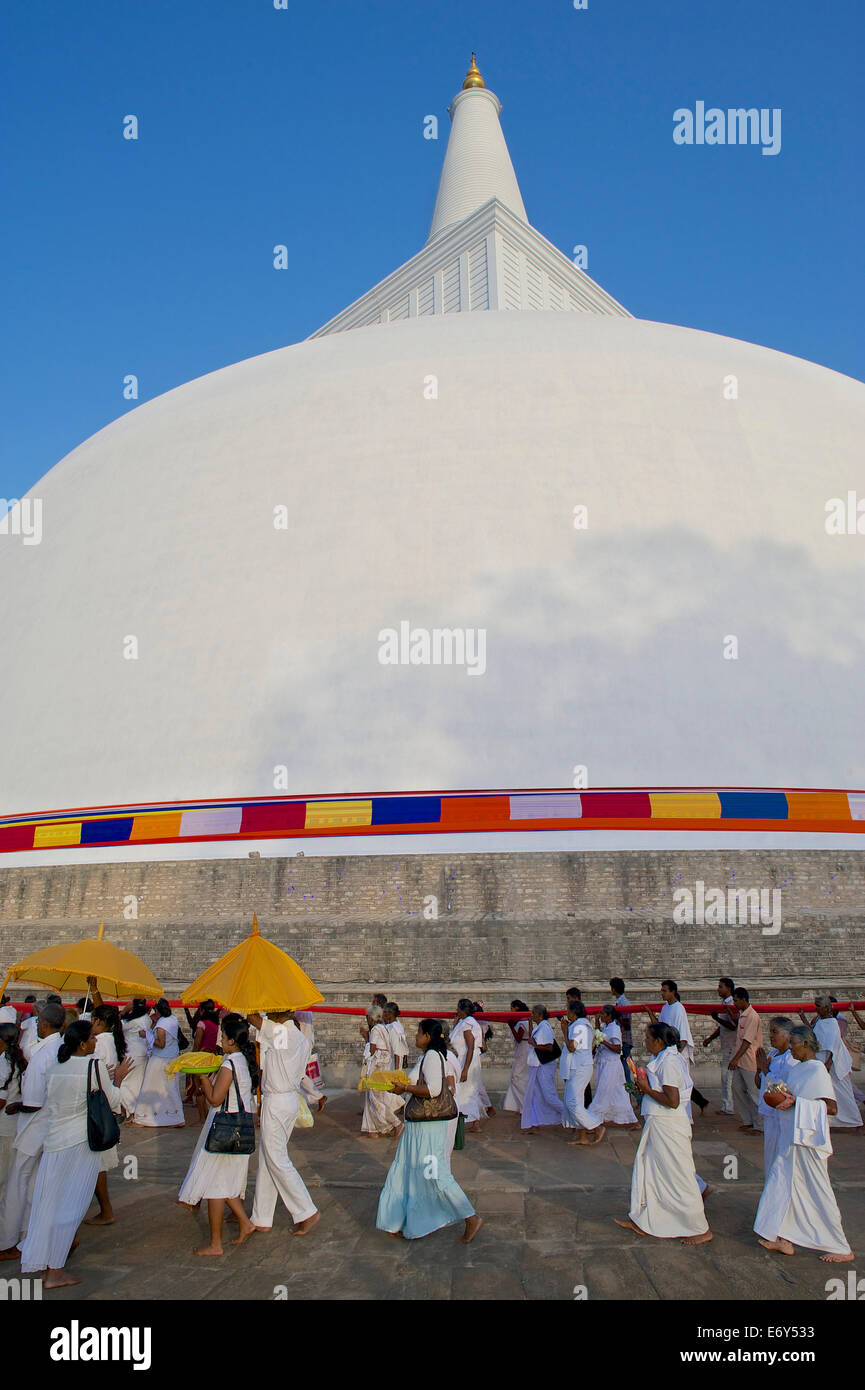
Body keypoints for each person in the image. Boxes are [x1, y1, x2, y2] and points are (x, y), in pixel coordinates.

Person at [17, 1020, 129, 1289]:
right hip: (80, 1143)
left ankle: (47, 1264)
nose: (96, 1041)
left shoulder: (55, 1066)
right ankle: (54, 1271)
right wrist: (118, 1079)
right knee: (72, 1205)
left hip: (55, 1142)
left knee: (49, 1203)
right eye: (91, 1037)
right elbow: (114, 1099)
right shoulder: (93, 1066)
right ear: (81, 1043)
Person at [754, 1025, 853, 1263]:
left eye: (793, 1045)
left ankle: (841, 1246)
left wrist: (797, 1101)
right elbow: (786, 1093)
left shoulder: (817, 1070)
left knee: (818, 1191)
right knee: (780, 1185)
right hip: (790, 1137)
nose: (791, 1049)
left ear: (806, 1045)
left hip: (808, 1141)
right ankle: (782, 1237)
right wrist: (778, 1090)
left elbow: (831, 1107)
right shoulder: (797, 1069)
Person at [377, 1018, 481, 1243]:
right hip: (419, 1129)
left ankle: (470, 1217)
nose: (415, 1036)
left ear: (428, 1037)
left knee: (435, 1176)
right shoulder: (427, 1058)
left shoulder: (434, 1057)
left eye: (419, 1033)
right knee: (409, 1175)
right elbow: (413, 1080)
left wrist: (404, 1087)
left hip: (430, 1129)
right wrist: (394, 1085)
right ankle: (400, 1220)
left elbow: (433, 1090)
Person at [615, 1022, 712, 1246]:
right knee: (651, 1171)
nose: (645, 1042)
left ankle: (699, 1227)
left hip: (669, 1126)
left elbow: (672, 1100)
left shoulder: (669, 1062)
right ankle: (644, 1219)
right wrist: (644, 1087)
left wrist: (647, 1090)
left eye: (648, 1038)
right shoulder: (663, 1059)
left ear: (659, 1041)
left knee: (680, 1177)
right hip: (658, 1123)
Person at [177, 1015, 258, 1255]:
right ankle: (245, 1223)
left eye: (223, 1036)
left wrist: (202, 1077)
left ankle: (215, 1243)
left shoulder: (229, 1063)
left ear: (232, 1041)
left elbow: (214, 1099)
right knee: (224, 1182)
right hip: (239, 1127)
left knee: (215, 1185)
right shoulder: (242, 1060)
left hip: (224, 1126)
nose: (220, 1039)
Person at [0, 1002, 65, 1258]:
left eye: (38, 1023)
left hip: (35, 1126)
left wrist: (17, 1105)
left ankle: (7, 1240)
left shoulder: (43, 1056)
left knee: (17, 1184)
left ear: (44, 1024)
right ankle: (27, 1235)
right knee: (33, 1184)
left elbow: (34, 1102)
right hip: (50, 1127)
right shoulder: (60, 1049)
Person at [246, 1008, 319, 1236]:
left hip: (277, 1101)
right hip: (288, 1099)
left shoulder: (282, 1033)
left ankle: (306, 1211)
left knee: (276, 1158)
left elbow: (254, 1020)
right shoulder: (299, 1037)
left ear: (280, 1014)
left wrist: (251, 1002)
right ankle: (262, 1216)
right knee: (269, 1157)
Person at [87, 1004, 127, 1226]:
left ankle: (106, 1210)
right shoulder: (110, 1040)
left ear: (98, 1022)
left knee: (97, 1164)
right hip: (105, 1101)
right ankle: (104, 1209)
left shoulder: (100, 1043)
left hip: (100, 1103)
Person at [644, 981, 708, 1114]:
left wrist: (674, 1054)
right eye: (661, 990)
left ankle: (685, 1113)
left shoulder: (679, 1009)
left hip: (675, 1052)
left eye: (664, 990)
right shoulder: (665, 1008)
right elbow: (659, 1026)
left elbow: (683, 1036)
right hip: (665, 1052)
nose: (662, 993)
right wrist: (650, 1012)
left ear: (673, 992)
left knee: (679, 1086)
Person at [801, 996, 862, 1129]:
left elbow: (833, 1046)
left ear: (827, 1008)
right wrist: (803, 1017)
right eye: (816, 1006)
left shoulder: (833, 1023)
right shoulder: (818, 1020)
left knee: (845, 1093)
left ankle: (854, 1120)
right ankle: (831, 1120)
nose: (816, 1009)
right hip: (822, 1060)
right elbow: (812, 1033)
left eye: (819, 1006)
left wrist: (827, 1064)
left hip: (835, 1063)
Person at [755, 1016, 798, 1174]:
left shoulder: (790, 1059)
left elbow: (782, 1088)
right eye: (770, 1032)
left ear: (787, 1035)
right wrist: (759, 1068)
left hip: (781, 1115)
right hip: (769, 1115)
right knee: (770, 1154)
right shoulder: (772, 1055)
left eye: (775, 1032)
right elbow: (759, 1083)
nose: (771, 1036)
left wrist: (766, 1071)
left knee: (780, 1156)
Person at [132, 999, 185, 1128]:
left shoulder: (162, 1024)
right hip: (171, 1057)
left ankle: (143, 1118)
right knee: (171, 1088)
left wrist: (147, 1035)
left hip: (160, 1059)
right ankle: (176, 1117)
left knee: (149, 1087)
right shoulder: (172, 1019)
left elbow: (161, 1044)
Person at [586, 1005, 638, 1128]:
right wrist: (597, 1021)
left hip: (611, 1064)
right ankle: (632, 1120)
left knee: (603, 1092)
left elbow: (617, 1048)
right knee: (619, 1093)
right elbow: (600, 1032)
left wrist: (603, 1041)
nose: (602, 1015)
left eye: (603, 1014)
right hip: (604, 1063)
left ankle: (592, 1118)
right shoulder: (606, 1026)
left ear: (609, 1016)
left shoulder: (614, 1029)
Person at [561, 1001, 602, 1143]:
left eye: (568, 1010)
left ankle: (597, 1126)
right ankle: (583, 1136)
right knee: (574, 1102)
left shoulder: (580, 1026)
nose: (567, 1013)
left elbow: (572, 1047)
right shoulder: (579, 1025)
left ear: (574, 1012)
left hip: (581, 1067)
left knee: (572, 1102)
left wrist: (565, 1032)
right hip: (576, 1066)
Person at [521, 1004, 564, 1133]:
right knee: (535, 1095)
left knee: (549, 1095)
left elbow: (549, 1047)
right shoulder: (539, 1027)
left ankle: (571, 1114)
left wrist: (535, 1045)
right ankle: (535, 1121)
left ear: (539, 1015)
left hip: (543, 1066)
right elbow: (532, 1039)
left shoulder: (545, 1027)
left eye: (533, 1013)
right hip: (537, 1065)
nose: (531, 1015)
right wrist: (529, 1025)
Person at [361, 1007, 401, 1137]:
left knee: (375, 1098)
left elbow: (371, 1049)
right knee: (375, 1097)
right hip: (384, 1064)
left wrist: (366, 1040)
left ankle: (396, 1123)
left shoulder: (376, 1030)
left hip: (377, 1066)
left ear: (371, 1018)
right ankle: (372, 1129)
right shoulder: (385, 1028)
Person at [728, 987, 763, 1133]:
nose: (734, 1004)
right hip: (740, 1061)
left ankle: (760, 1125)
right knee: (737, 1089)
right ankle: (748, 1120)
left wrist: (735, 1059)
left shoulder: (752, 1016)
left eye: (736, 1001)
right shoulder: (743, 1015)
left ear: (743, 999)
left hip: (749, 1061)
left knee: (754, 1093)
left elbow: (747, 1041)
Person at [703, 978, 738, 1115]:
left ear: (728, 989)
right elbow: (723, 1026)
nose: (718, 989)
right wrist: (711, 1038)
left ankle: (728, 1107)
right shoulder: (725, 1004)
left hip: (732, 1046)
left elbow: (732, 1026)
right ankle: (727, 1105)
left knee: (727, 1077)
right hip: (728, 1045)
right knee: (728, 1077)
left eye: (720, 987)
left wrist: (716, 1018)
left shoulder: (731, 1005)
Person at [450, 999, 486, 1133]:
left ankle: (473, 1120)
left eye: (458, 1008)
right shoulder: (463, 1023)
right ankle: (474, 1121)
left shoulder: (467, 1024)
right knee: (468, 1090)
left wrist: (465, 1069)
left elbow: (470, 1047)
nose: (456, 1011)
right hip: (464, 1059)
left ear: (462, 1010)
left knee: (467, 1090)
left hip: (468, 1061)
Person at [0, 1023, 27, 1194]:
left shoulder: (4, 1062)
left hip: (4, 1126)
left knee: (3, 1172)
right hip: (13, 1123)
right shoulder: (17, 1058)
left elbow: (1, 1100)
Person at [119, 1000, 152, 1117]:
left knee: (123, 1083)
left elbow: (117, 1026)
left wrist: (123, 1012)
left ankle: (132, 1110)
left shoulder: (132, 1021)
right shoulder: (147, 1019)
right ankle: (138, 1112)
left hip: (132, 1054)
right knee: (137, 1084)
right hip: (142, 1053)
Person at [503, 1000, 532, 1113]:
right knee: (521, 1077)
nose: (511, 1010)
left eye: (512, 1008)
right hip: (524, 1049)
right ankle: (518, 1106)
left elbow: (519, 1038)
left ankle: (525, 1105)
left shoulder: (522, 1021)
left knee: (516, 1077)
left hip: (523, 1049)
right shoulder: (524, 1020)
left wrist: (511, 1026)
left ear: (516, 1008)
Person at [471, 1003, 497, 1118]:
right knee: (475, 1081)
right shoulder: (483, 1022)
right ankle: (486, 1106)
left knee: (476, 1082)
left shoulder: (479, 1023)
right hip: (476, 1052)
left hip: (476, 1052)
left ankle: (488, 1106)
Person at [609, 977, 632, 1081]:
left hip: (624, 1040)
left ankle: (631, 1091)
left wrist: (616, 1016)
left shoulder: (623, 1003)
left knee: (624, 1069)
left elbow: (627, 1024)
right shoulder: (621, 1001)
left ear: (614, 989)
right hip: (623, 1040)